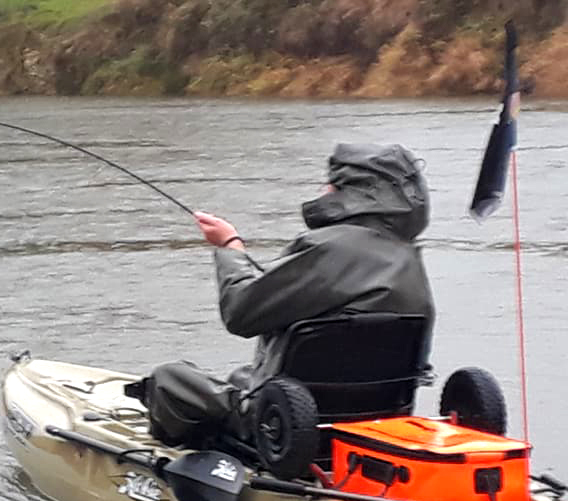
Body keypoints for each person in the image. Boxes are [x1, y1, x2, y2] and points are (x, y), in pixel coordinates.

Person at [131, 142, 436, 447]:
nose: (325, 189)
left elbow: (240, 313)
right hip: (373, 427)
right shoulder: (410, 260)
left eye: (332, 184)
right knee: (241, 376)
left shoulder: (325, 247)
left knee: (170, 378)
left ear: (353, 193)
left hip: (284, 430)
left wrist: (230, 247)